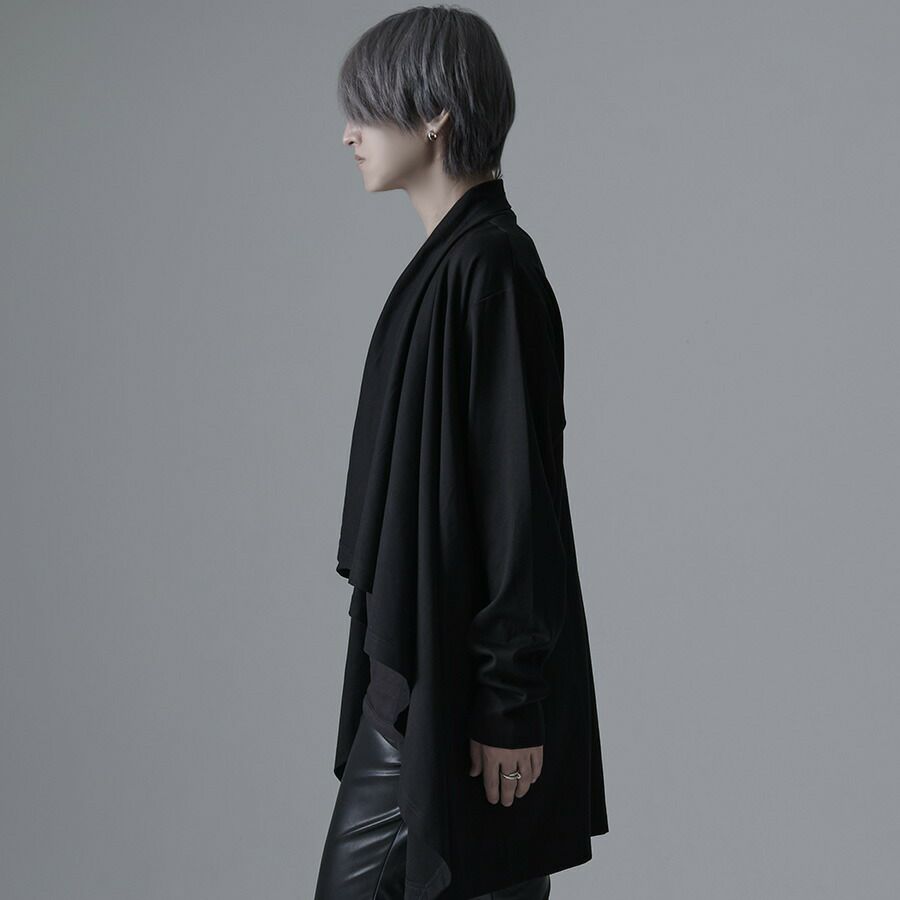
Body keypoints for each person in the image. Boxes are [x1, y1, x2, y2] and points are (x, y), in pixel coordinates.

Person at [314, 6, 609, 899]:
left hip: (450, 703)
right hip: (415, 684)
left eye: (367, 107)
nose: (348, 133)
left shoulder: (491, 269)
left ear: (435, 114)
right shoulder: (451, 266)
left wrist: (508, 703)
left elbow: (518, 502)